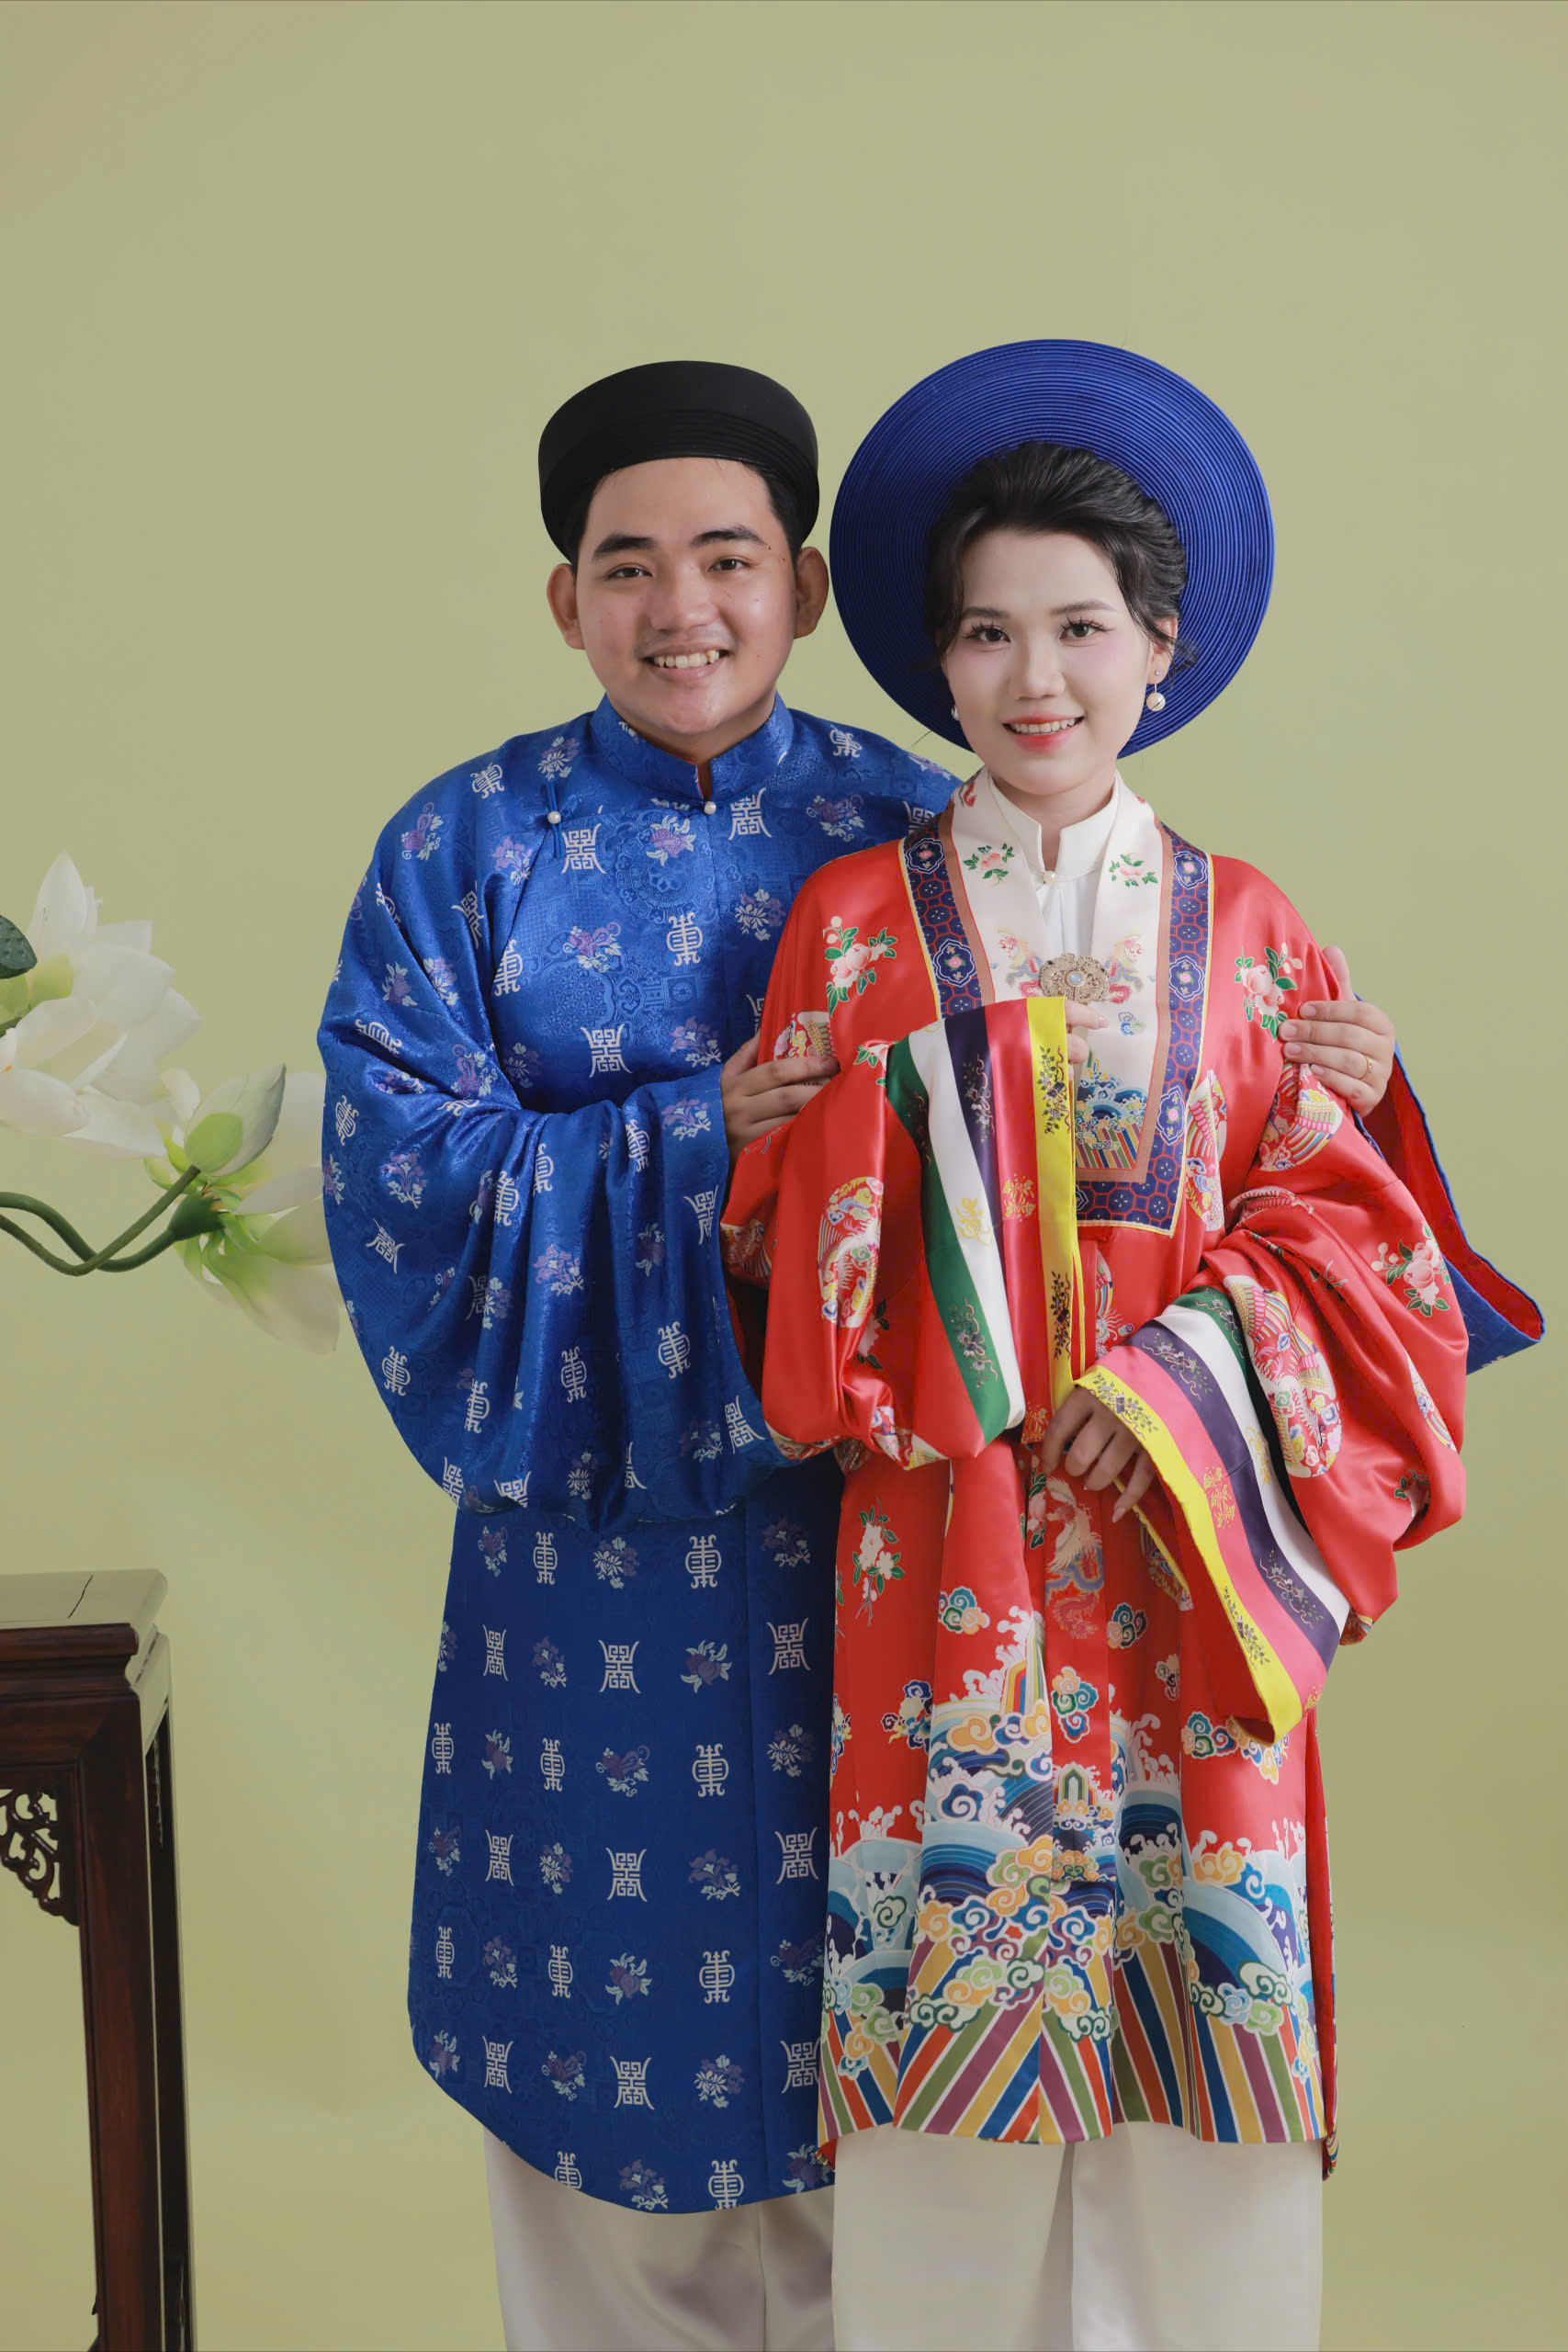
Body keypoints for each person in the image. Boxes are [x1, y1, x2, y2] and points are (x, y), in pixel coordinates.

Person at [317, 356, 1411, 2352]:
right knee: (612, 2086)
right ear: (564, 597)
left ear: (806, 585)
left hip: (940, 1563)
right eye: (627, 566)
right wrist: (697, 1140)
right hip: (629, 1559)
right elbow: (399, 1183)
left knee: (960, 2095)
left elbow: (1255, 1181)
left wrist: (1347, 1085)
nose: (683, 608)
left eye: (729, 558)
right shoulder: (472, 849)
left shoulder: (931, 828)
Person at [720, 340, 1540, 2352]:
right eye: (988, 632)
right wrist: (808, 1156)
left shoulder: (1254, 930)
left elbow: (1349, 1232)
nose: (1037, 678)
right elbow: (774, 1238)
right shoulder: (850, 918)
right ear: (939, 663)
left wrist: (1177, 1381)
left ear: (1159, 651)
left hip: (1190, 1531)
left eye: (1081, 628)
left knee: (1201, 2011)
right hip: (950, 1533)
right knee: (947, 2004)